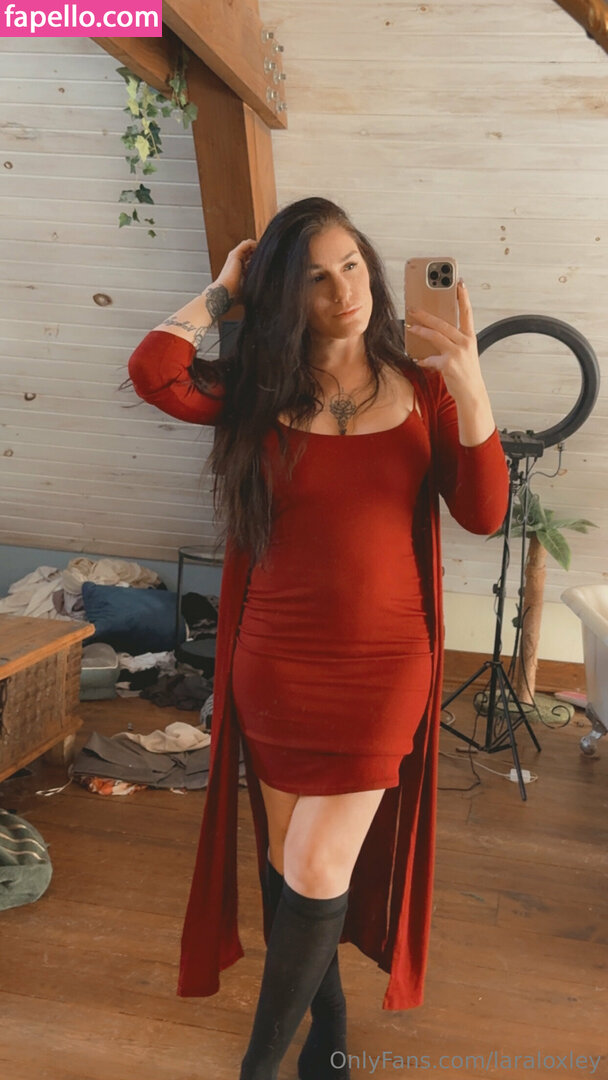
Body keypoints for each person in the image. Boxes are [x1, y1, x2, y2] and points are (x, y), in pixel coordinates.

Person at [127, 197, 510, 1080]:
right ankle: (328, 1037)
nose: (344, 291)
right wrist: (223, 291)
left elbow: (484, 513)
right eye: (313, 277)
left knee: (313, 858)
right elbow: (155, 371)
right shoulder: (255, 393)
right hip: (274, 664)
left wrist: (471, 382)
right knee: (293, 863)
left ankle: (260, 1069)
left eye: (352, 266)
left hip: (385, 668)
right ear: (281, 295)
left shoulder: (423, 388)